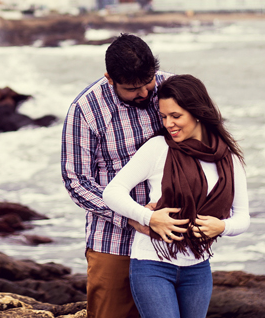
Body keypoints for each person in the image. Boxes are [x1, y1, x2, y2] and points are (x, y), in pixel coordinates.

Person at [102, 74, 249, 318]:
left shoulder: (229, 158)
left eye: (176, 116)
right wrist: (149, 218)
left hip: (198, 268)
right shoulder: (159, 148)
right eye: (164, 116)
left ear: (197, 112)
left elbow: (243, 217)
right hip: (152, 264)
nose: (169, 123)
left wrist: (222, 226)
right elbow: (113, 192)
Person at [61, 33, 169, 318]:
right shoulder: (85, 110)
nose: (145, 93)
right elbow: (76, 182)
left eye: (148, 82)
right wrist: (132, 217)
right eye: (133, 88)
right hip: (113, 239)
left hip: (171, 234)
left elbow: (207, 143)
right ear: (110, 79)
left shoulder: (173, 88)